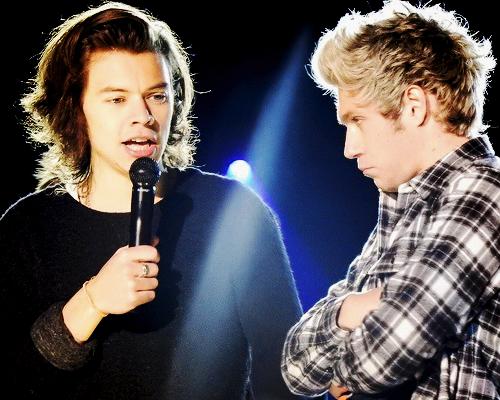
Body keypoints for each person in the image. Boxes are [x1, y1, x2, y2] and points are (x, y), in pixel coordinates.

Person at [0, 2, 305, 399]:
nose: (143, 116)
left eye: (156, 96)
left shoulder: (232, 213)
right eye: (116, 99)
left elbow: (287, 374)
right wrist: (92, 302)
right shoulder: (29, 229)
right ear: (75, 109)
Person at [281, 1, 499, 399]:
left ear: (413, 107)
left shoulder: (487, 192)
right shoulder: (405, 206)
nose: (349, 148)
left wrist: (345, 359)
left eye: (358, 121)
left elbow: (380, 359)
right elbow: (295, 367)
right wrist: (352, 308)